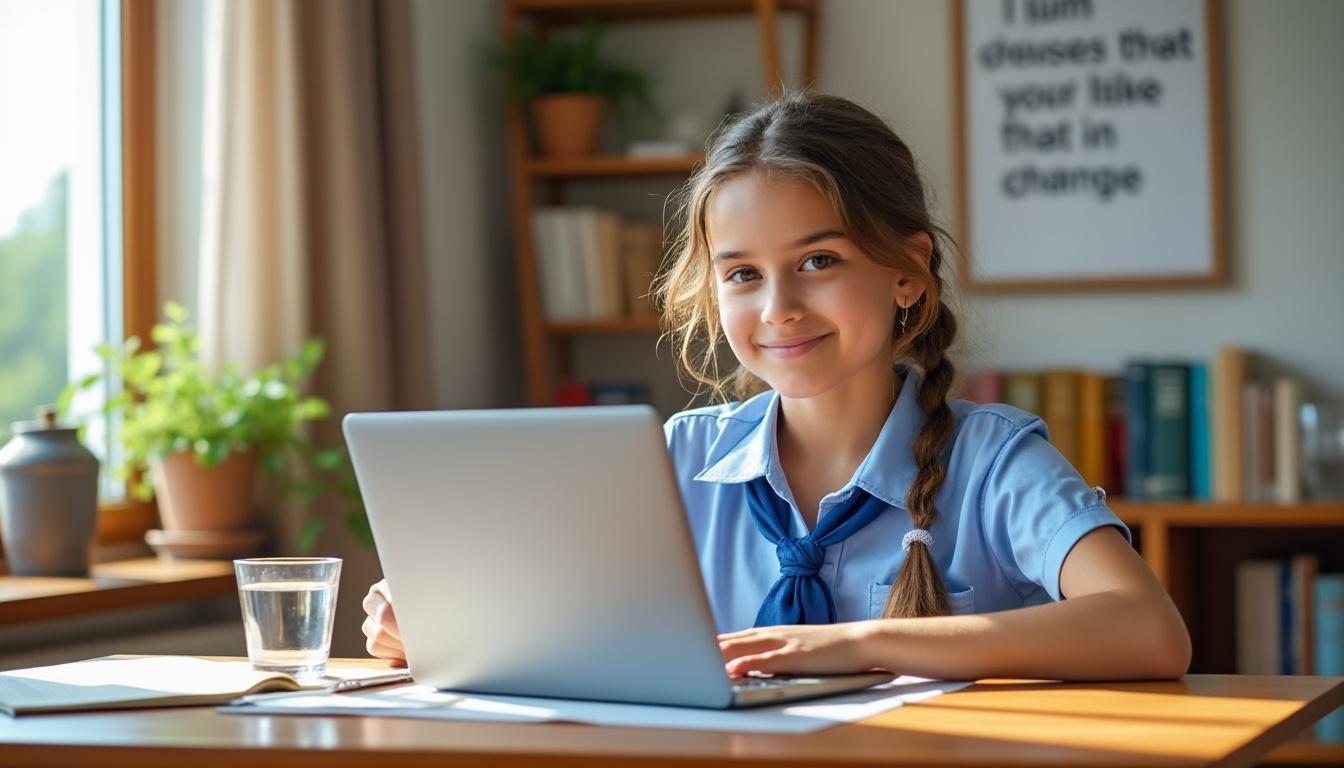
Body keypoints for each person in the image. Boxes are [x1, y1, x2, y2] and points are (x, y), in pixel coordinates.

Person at [362, 90, 1191, 682]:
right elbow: (540, 612)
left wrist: (864, 643)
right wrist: (433, 618)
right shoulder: (675, 459)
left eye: (818, 262)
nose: (780, 308)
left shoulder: (995, 459)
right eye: (743, 275)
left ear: (908, 272)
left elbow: (1150, 632)